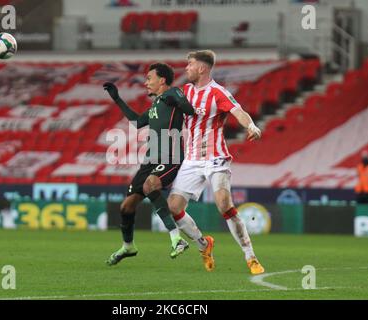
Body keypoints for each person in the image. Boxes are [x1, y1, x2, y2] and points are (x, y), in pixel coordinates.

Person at [166, 50, 265, 275]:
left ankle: (250, 257)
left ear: (202, 68)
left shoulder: (217, 92)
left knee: (223, 203)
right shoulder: (185, 91)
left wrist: (251, 126)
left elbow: (238, 111)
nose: (186, 69)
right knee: (173, 207)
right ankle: (203, 245)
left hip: (215, 157)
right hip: (191, 159)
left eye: (190, 65)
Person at [103, 62, 200, 266]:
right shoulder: (156, 105)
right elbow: (137, 122)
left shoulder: (172, 94)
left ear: (162, 80)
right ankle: (128, 246)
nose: (146, 82)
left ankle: (176, 238)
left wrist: (179, 98)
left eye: (149, 78)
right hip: (149, 161)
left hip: (170, 157)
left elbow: (190, 110)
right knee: (127, 207)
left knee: (150, 185)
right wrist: (117, 99)